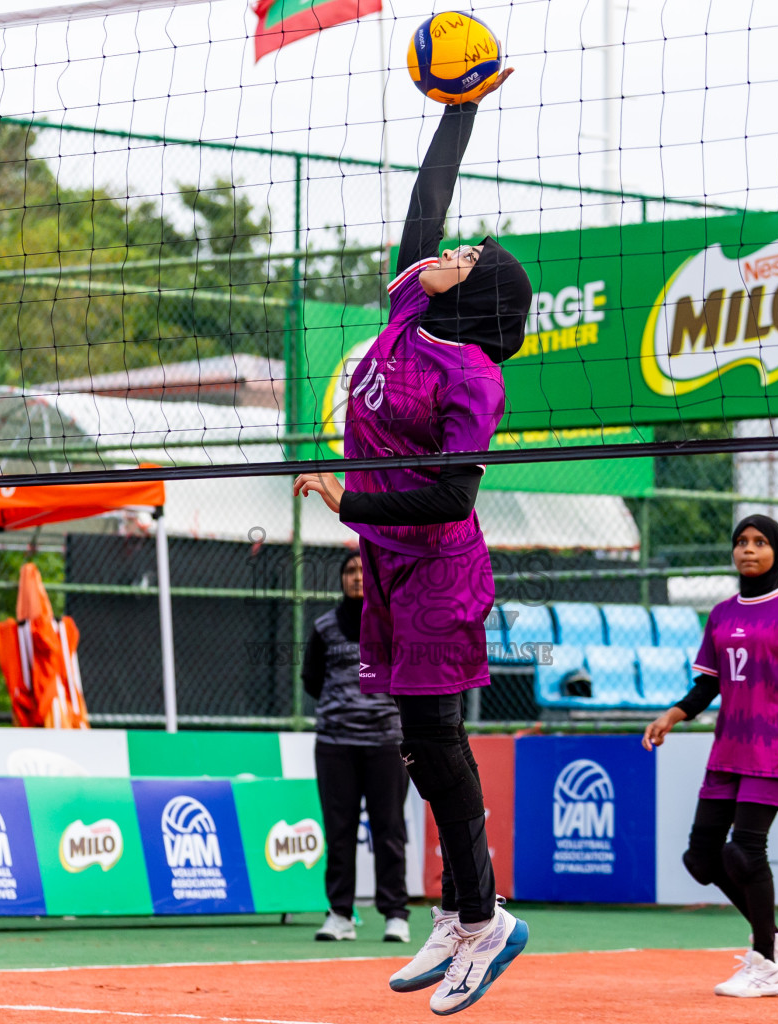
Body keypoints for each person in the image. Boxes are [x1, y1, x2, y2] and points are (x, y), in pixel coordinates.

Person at [293, 68, 530, 1017]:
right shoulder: (405, 310)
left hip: (435, 566)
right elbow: (426, 208)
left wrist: (351, 500)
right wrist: (460, 110)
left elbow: (447, 495)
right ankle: (461, 911)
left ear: (475, 300)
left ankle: (485, 917)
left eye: (468, 260)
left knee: (434, 736)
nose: (449, 252)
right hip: (391, 566)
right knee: (419, 749)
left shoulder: (472, 370)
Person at [642, 515, 778, 999]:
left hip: (774, 746)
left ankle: (767, 963)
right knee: (701, 857)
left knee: (745, 851)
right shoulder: (723, 614)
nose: (749, 549)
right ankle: (777, 937)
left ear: (777, 552)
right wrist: (674, 713)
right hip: (728, 746)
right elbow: (708, 683)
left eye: (761, 542)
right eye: (741, 542)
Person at [302, 550, 410, 943]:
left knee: (389, 829)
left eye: (364, 570)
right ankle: (339, 915)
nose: (357, 577)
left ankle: (395, 915)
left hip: (386, 743)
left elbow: (410, 674)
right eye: (350, 571)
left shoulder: (394, 622)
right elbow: (311, 680)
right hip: (335, 745)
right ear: (341, 579)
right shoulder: (325, 627)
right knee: (340, 829)